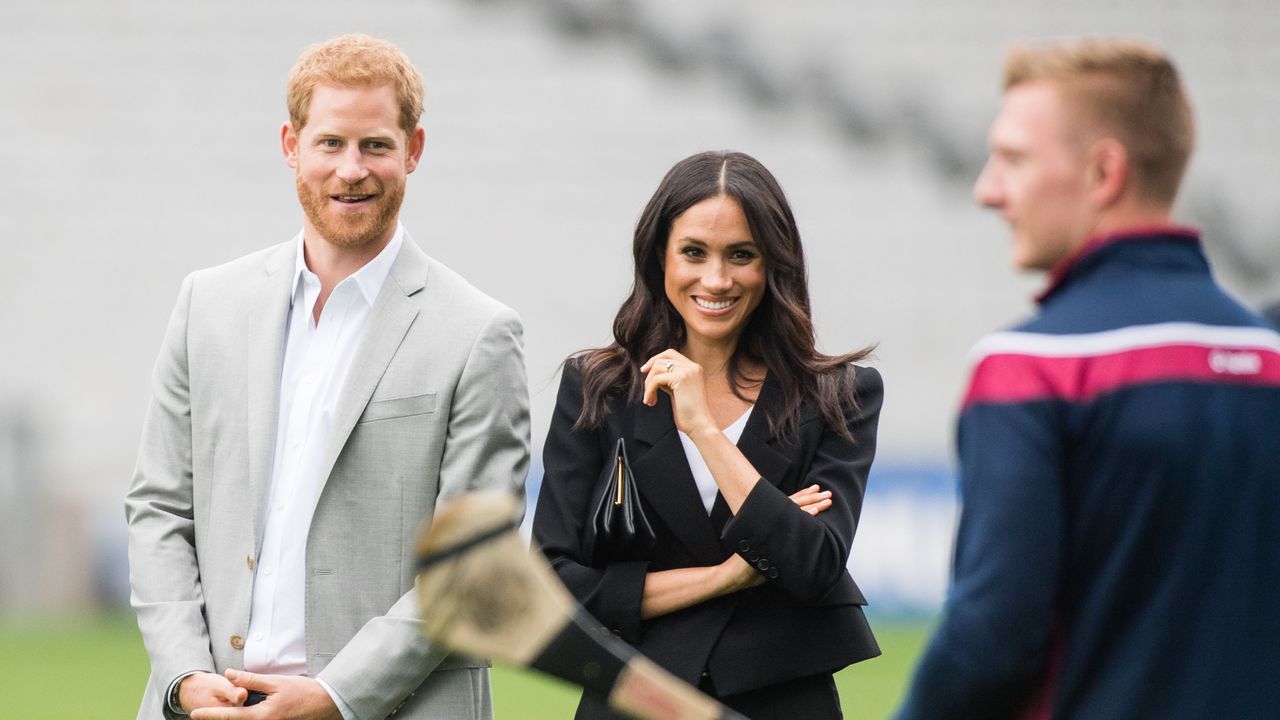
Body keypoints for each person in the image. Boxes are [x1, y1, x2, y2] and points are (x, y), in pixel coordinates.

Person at [125, 34, 529, 720]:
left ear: (414, 150)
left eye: (375, 145)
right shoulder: (208, 305)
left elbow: (471, 564)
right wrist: (186, 675)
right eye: (330, 144)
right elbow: (159, 508)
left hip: (393, 705)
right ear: (291, 145)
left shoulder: (478, 333)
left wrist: (336, 696)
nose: (351, 170)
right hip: (210, 704)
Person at [896, 37, 1280, 719]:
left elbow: (994, 640)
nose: (988, 190)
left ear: (1104, 173)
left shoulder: (1028, 369)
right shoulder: (1268, 359)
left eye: (1013, 158)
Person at [532, 150, 884, 719]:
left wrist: (703, 429)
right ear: (659, 260)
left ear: (774, 266)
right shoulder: (597, 387)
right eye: (694, 253)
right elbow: (554, 586)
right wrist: (724, 578)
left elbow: (814, 563)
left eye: (741, 256)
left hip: (782, 703)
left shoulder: (841, 396)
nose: (716, 279)